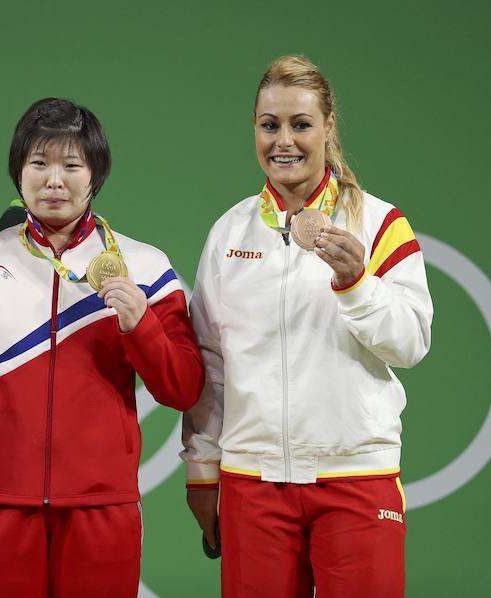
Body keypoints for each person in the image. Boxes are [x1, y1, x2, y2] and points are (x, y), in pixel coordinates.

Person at [0, 98, 205, 597]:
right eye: (39, 164)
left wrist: (140, 324)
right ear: (18, 173)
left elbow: (184, 388)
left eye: (71, 165)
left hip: (102, 509)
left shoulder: (144, 267)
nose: (53, 180)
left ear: (94, 176)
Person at [182, 55, 433, 598]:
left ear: (328, 128)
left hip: (356, 479)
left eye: (301, 124)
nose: (284, 141)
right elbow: (211, 362)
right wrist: (203, 467)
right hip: (254, 482)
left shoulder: (380, 223)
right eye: (269, 125)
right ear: (255, 128)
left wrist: (355, 283)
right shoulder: (230, 230)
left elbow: (412, 343)